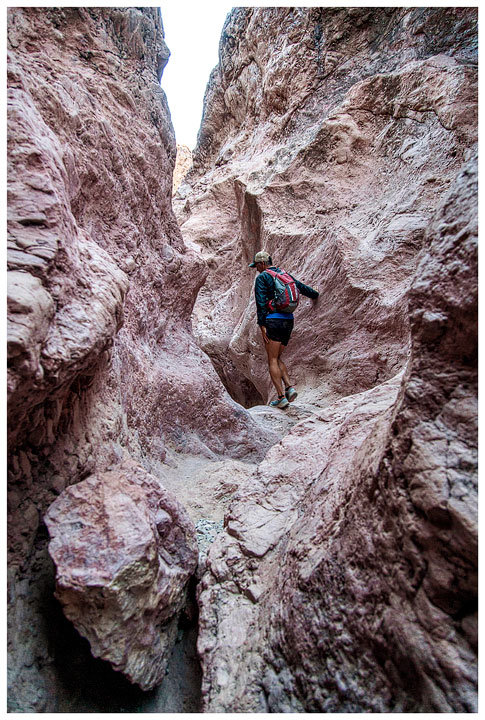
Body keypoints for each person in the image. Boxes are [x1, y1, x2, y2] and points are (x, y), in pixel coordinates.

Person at [249, 250, 319, 408]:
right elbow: (300, 287)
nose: (256, 269)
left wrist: (262, 325)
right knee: (278, 357)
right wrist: (314, 295)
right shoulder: (283, 274)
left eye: (257, 266)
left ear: (262, 263)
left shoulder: (262, 277)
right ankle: (289, 388)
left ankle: (281, 398)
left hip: (273, 321)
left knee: (272, 360)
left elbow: (260, 303)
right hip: (288, 321)